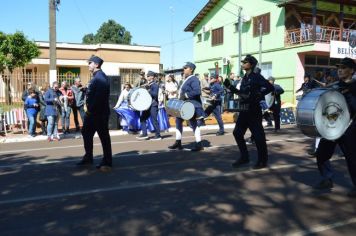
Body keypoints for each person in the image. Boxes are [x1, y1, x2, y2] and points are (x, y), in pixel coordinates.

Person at [313, 57, 356, 198]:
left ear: (351, 70)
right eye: (339, 68)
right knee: (321, 154)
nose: (340, 70)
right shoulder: (336, 85)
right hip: (333, 125)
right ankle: (327, 178)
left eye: (343, 68)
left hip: (350, 127)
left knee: (352, 158)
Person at [223, 55, 274, 169]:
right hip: (244, 109)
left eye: (245, 62)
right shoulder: (244, 78)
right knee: (237, 133)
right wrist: (230, 87)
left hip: (254, 110)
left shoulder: (257, 77)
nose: (242, 64)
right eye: (242, 62)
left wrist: (260, 94)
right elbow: (242, 94)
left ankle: (262, 160)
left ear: (251, 64)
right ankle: (244, 157)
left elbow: (270, 88)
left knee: (258, 136)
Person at [77, 55, 112, 172]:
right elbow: (94, 92)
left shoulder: (100, 77)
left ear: (96, 65)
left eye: (90, 63)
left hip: (98, 113)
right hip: (92, 113)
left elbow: (100, 97)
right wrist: (86, 90)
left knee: (103, 137)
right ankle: (88, 157)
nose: (88, 65)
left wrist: (91, 109)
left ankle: (107, 161)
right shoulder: (96, 77)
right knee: (86, 132)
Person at [168, 62, 205, 151]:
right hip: (183, 105)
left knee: (193, 124)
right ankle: (178, 142)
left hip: (190, 105)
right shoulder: (186, 79)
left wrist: (186, 95)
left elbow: (197, 91)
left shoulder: (194, 79)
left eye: (185, 68)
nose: (183, 69)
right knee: (178, 122)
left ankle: (199, 143)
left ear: (191, 69)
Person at [136, 71, 162, 140]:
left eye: (148, 76)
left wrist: (148, 89)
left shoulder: (155, 85)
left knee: (154, 120)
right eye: (147, 76)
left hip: (153, 105)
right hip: (147, 105)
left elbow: (155, 95)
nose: (147, 77)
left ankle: (158, 135)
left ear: (152, 77)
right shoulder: (147, 85)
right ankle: (144, 134)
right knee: (142, 118)